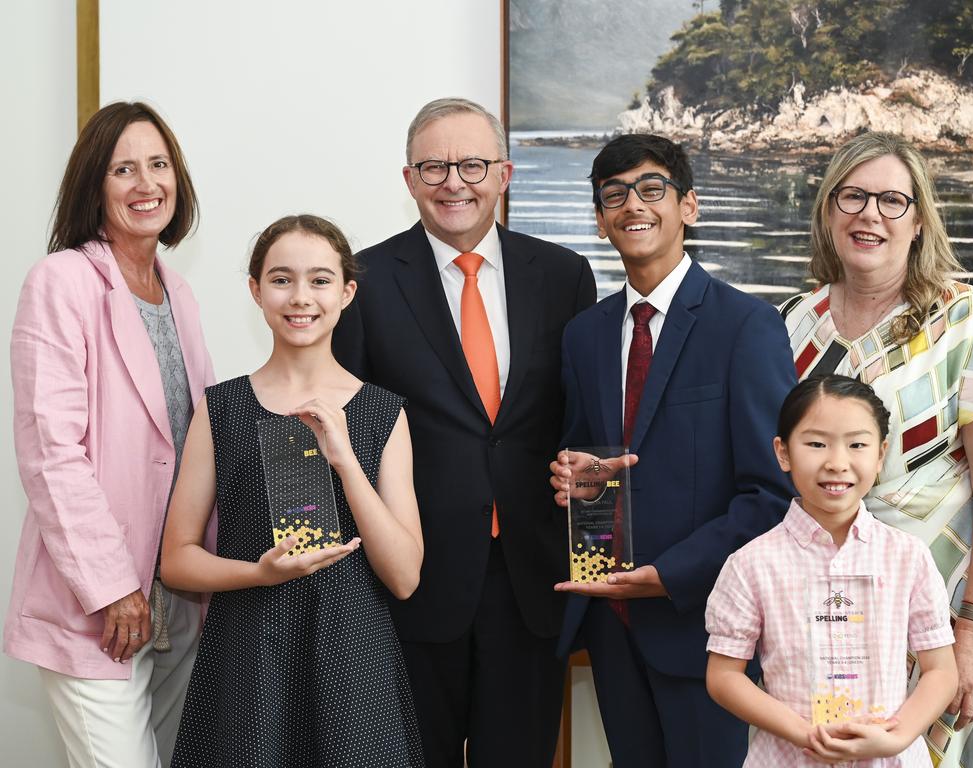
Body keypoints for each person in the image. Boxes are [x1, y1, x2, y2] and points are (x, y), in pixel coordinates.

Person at [331, 97, 596, 767]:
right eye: (435, 166)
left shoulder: (563, 276)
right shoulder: (363, 282)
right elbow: (347, 434)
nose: (455, 181)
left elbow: (581, 421)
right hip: (415, 578)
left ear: (504, 173)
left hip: (532, 578)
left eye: (473, 164)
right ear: (409, 179)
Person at [548, 133, 796, 768]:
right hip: (611, 626)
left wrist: (669, 577)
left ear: (689, 206)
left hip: (708, 628)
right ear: (601, 221)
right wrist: (573, 479)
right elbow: (586, 459)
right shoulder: (584, 335)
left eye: (651, 189)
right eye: (614, 195)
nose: (633, 205)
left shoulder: (747, 326)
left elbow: (772, 495)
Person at [779, 131, 973, 767]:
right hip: (829, 622)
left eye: (892, 200)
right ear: (829, 210)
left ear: (918, 220)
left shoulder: (965, 318)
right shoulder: (790, 326)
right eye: (853, 197)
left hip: (945, 618)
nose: (870, 215)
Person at [161, 214, 424, 767]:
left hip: (353, 662)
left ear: (347, 292)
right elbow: (177, 561)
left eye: (320, 280)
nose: (300, 296)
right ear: (255, 290)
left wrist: (346, 459)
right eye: (281, 279)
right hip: (248, 657)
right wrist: (259, 573)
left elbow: (404, 577)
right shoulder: (222, 408)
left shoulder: (382, 412)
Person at [4, 101, 213, 767]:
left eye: (158, 165)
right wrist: (111, 585)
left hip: (179, 595)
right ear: (95, 184)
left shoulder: (177, 291)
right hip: (101, 601)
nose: (146, 183)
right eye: (124, 168)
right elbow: (50, 454)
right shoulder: (60, 282)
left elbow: (194, 437)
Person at [706, 374, 959, 766]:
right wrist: (804, 733)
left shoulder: (908, 556)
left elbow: (941, 671)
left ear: (880, 454)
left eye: (857, 444)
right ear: (783, 452)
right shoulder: (751, 564)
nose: (836, 462)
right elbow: (724, 676)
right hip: (789, 757)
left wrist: (898, 737)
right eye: (816, 444)